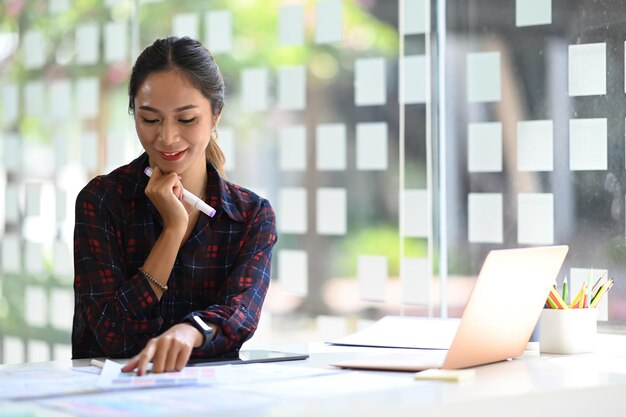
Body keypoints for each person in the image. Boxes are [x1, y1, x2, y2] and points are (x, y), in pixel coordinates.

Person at [71, 36, 277, 375]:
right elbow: (113, 333)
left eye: (186, 120)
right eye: (150, 120)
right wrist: (173, 229)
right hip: (110, 402)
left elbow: (240, 315)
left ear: (215, 117)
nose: (167, 137)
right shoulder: (102, 200)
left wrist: (190, 330)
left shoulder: (249, 216)